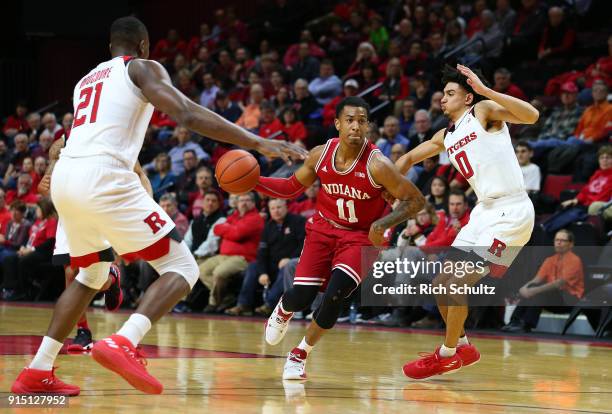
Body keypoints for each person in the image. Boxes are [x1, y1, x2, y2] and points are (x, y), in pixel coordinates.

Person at [11, 16, 306, 396]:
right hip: (104, 173)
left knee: (92, 274)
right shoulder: (142, 67)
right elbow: (187, 113)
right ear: (145, 47)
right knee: (181, 266)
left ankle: (37, 370)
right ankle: (125, 340)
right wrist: (258, 142)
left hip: (67, 175)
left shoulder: (86, 80)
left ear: (110, 47)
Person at [255, 96, 425, 380]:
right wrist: (254, 181)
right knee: (302, 296)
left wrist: (383, 223)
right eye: (349, 120)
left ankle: (300, 353)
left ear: (369, 126)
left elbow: (415, 201)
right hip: (323, 229)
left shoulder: (378, 165)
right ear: (337, 124)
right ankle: (284, 308)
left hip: (360, 238)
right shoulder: (320, 154)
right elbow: (289, 187)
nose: (356, 126)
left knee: (335, 295)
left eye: (362, 121)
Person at [395, 64, 538, 379]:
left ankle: (446, 355)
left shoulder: (483, 111)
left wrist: (487, 91)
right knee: (440, 285)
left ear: (468, 96)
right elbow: (406, 159)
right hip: (483, 213)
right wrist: (387, 185)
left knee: (458, 285)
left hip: (512, 213)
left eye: (450, 93)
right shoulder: (445, 135)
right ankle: (464, 347)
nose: (443, 100)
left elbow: (531, 116)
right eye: (442, 94)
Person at [502, 229, 584, 333]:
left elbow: (559, 283)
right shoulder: (550, 260)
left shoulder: (574, 260)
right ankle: (514, 321)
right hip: (554, 297)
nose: (558, 243)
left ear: (571, 244)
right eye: (556, 240)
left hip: (569, 300)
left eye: (562, 240)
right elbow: (537, 279)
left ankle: (526, 324)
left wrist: (535, 290)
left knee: (540, 292)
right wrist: (525, 288)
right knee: (531, 289)